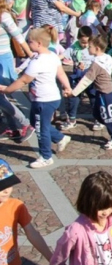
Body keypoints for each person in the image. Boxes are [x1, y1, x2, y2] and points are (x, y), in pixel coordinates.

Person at [0, 27, 72, 168]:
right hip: (47, 98)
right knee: (36, 122)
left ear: (38, 43)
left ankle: (46, 157)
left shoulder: (37, 62)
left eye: (30, 42)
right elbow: (61, 74)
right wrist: (67, 86)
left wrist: (7, 89)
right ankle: (60, 138)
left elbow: (23, 80)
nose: (28, 44)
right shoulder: (51, 56)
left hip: (44, 100)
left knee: (40, 128)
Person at [0, 158, 53, 265]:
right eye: (1, 187)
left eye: (9, 184)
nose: (6, 190)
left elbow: (32, 233)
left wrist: (51, 258)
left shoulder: (16, 206)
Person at [63, 36, 112, 150]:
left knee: (108, 117)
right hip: (105, 92)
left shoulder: (97, 63)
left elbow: (86, 80)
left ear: (96, 48)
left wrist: (73, 93)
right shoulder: (107, 57)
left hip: (104, 93)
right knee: (97, 114)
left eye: (90, 47)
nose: (88, 49)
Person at [0, 0, 34, 143]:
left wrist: (31, 55)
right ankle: (14, 128)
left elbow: (18, 37)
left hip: (3, 59)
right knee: (2, 96)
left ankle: (26, 123)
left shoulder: (4, 15)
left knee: (6, 94)